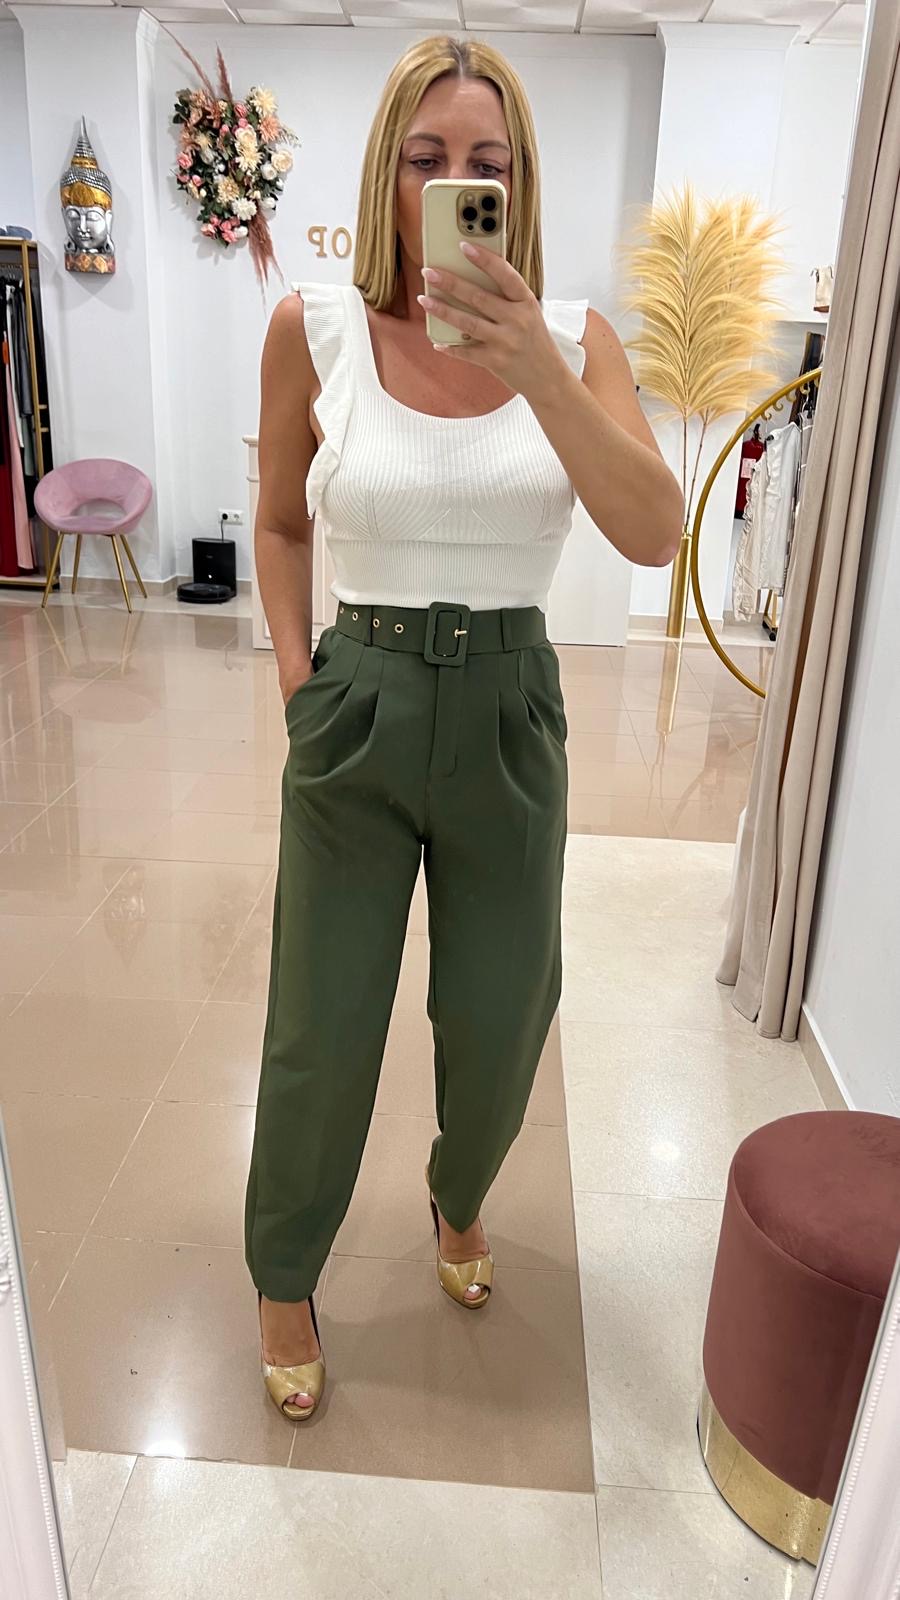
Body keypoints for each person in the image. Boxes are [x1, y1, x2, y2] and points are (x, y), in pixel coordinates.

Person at [244, 34, 683, 1419]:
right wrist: (299, 681)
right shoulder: (312, 328)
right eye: (426, 159)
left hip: (509, 709)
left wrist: (536, 363)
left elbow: (655, 531)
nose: (454, 183)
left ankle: (457, 1194)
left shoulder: (578, 342)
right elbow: (279, 522)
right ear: (387, 177)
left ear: (519, 184)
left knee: (503, 1015)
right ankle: (283, 1271)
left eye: (484, 164)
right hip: (358, 703)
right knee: (321, 1023)